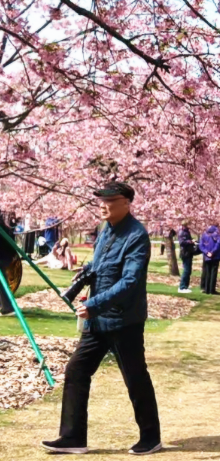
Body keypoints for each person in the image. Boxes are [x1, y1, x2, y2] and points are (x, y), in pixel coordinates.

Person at [42, 181, 161, 456]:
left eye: (110, 200)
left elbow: (130, 281)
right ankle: (72, 438)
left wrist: (94, 304)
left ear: (126, 203)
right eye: (100, 200)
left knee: (135, 378)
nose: (103, 205)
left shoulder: (137, 235)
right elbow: (100, 264)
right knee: (76, 371)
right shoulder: (106, 230)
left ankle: (151, 437)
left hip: (123, 321)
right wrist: (85, 272)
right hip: (97, 321)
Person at [199, 225, 220, 295]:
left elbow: (201, 246)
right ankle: (212, 289)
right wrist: (212, 252)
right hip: (215, 256)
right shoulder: (218, 235)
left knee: (207, 272)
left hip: (207, 257)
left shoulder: (204, 235)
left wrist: (206, 252)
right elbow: (218, 245)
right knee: (213, 273)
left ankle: (206, 289)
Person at [177, 222, 195, 293]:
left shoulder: (186, 232)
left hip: (188, 252)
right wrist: (190, 241)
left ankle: (185, 286)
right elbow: (182, 242)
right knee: (186, 270)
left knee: (188, 270)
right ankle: (182, 287)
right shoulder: (182, 232)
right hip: (185, 253)